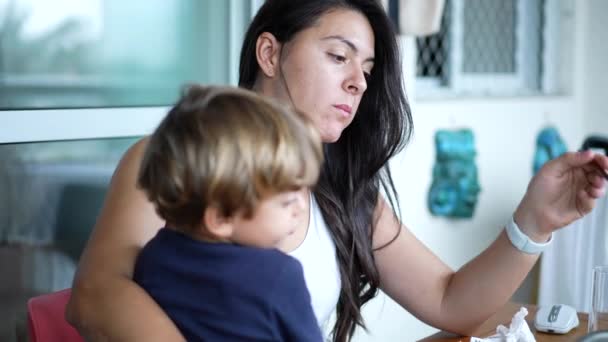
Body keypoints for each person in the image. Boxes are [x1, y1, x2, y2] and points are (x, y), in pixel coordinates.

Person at [66, 1, 608, 341]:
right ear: (270, 53)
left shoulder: (345, 192)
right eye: (338, 56)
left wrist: (533, 222)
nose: (359, 83)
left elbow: (450, 302)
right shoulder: (174, 162)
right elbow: (94, 295)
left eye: (367, 69)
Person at [132, 85, 324, 341]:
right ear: (221, 217)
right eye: (287, 201)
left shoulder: (152, 259)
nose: (301, 208)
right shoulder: (279, 275)